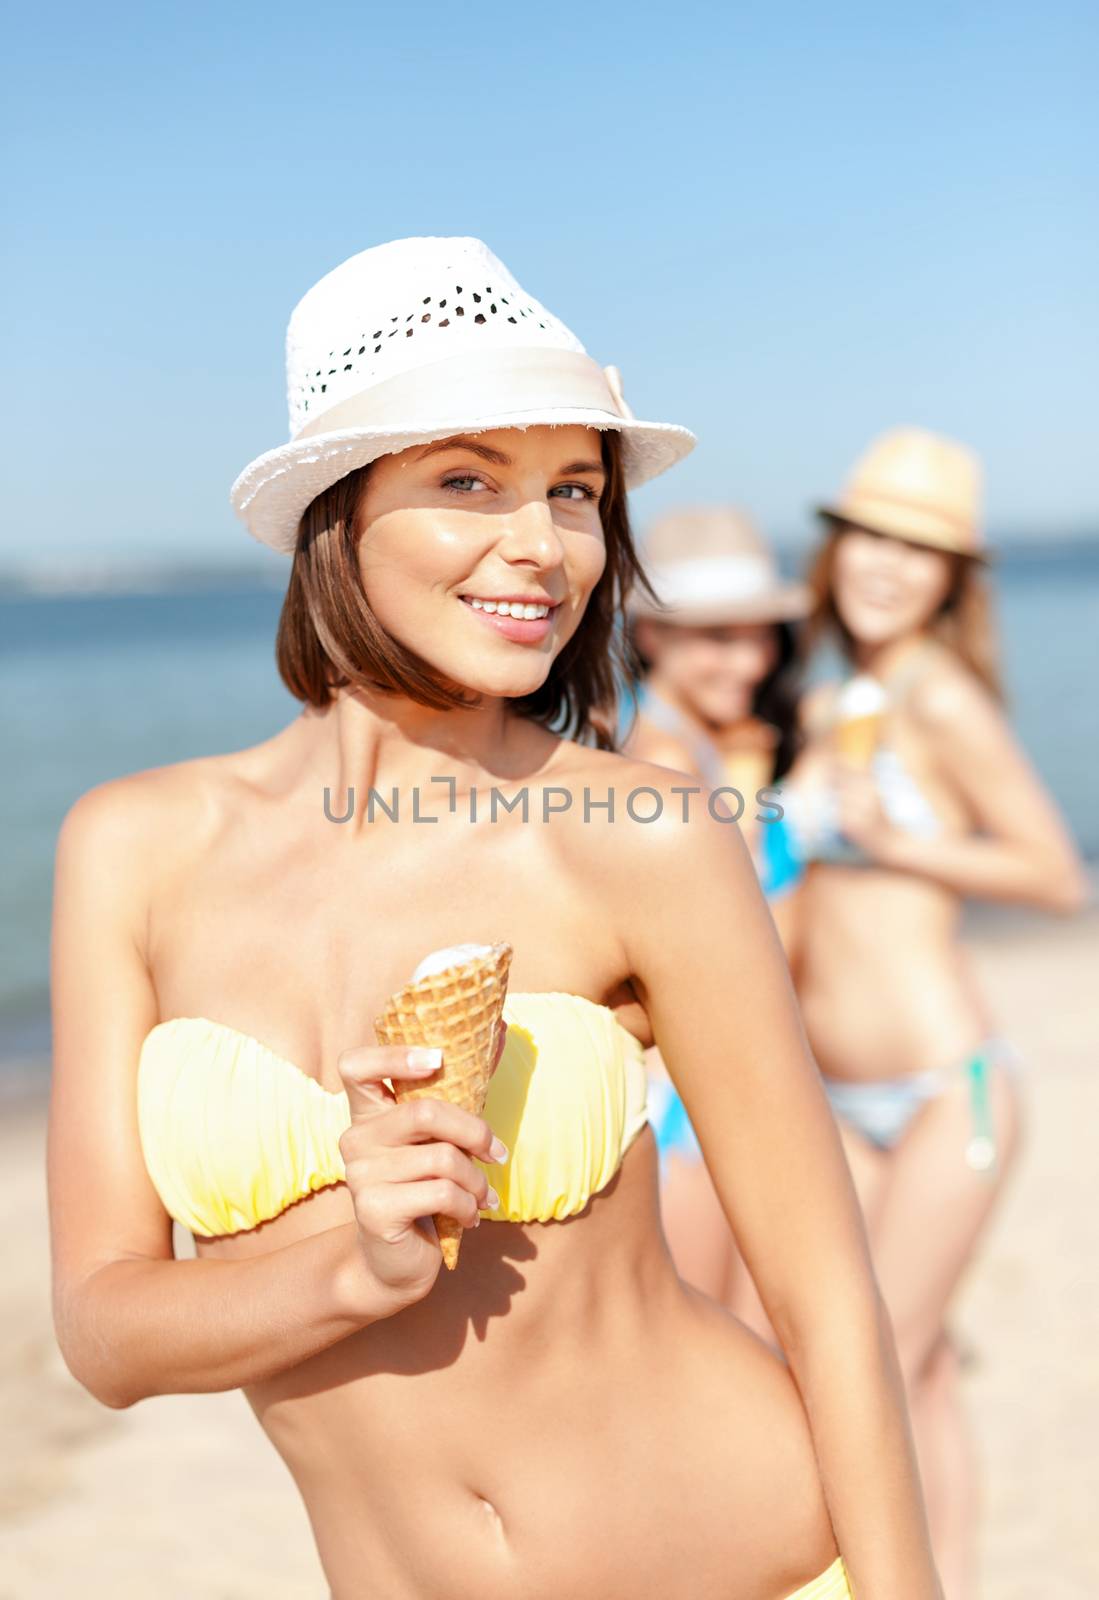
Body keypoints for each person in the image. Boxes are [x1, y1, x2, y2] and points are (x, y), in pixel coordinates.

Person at [48, 238, 942, 1600]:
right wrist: (356, 1266)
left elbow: (828, 1305)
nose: (543, 544)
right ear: (333, 515)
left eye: (573, 492)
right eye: (466, 480)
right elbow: (108, 1338)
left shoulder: (646, 837)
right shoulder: (133, 847)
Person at [775, 426, 1088, 1598]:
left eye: (921, 550)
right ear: (836, 547)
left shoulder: (940, 699)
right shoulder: (825, 698)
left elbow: (1056, 875)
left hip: (945, 1087)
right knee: (925, 1373)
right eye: (871, 538)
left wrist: (906, 839)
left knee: (876, 1364)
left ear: (954, 576)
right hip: (839, 1099)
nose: (887, 566)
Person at [620, 506, 810, 1299]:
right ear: (650, 638)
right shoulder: (657, 761)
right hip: (687, 1107)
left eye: (758, 634)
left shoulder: (709, 747)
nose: (748, 659)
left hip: (723, 1093)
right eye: (717, 637)